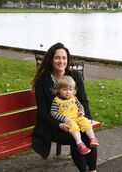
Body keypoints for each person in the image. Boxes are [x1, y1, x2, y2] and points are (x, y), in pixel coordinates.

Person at [31, 43, 97, 172]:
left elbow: (83, 101)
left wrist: (86, 118)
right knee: (76, 137)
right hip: (53, 125)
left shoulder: (75, 76)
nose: (61, 61)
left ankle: (93, 170)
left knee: (86, 132)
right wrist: (58, 125)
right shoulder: (42, 81)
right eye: (57, 58)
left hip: (75, 119)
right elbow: (43, 112)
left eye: (64, 58)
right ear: (51, 60)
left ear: (68, 60)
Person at [51, 75, 99, 155]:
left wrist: (81, 112)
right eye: (65, 89)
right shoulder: (56, 101)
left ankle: (92, 138)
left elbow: (80, 106)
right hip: (68, 120)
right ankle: (79, 144)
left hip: (77, 116)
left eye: (70, 89)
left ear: (73, 90)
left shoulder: (74, 98)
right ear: (58, 89)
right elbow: (53, 113)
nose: (68, 92)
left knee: (86, 122)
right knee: (74, 127)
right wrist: (63, 118)